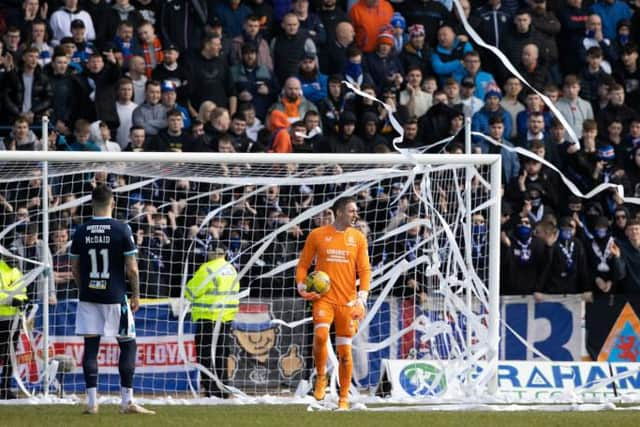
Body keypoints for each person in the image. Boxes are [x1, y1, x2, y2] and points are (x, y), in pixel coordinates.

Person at [70, 184, 154, 415]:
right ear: (113, 202)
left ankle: (91, 402)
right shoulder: (121, 229)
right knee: (128, 344)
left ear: (91, 204)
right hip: (116, 297)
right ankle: (127, 401)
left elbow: (74, 268)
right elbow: (133, 269)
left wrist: (83, 288)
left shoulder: (81, 231)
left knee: (90, 348)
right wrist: (136, 295)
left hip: (88, 297)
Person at [295, 197, 371, 410]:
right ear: (338, 212)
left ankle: (344, 397)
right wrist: (302, 286)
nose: (355, 214)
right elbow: (303, 265)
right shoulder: (318, 235)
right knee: (320, 336)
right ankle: (321, 377)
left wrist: (362, 299)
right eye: (351, 210)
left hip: (347, 302)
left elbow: (364, 270)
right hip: (323, 299)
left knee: (345, 352)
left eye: (356, 210)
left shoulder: (358, 238)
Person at [185, 247, 239, 398]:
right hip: (226, 318)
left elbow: (190, 292)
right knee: (221, 354)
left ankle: (211, 389)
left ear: (212, 253)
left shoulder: (207, 268)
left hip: (208, 317)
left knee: (205, 355)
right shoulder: (231, 269)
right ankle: (223, 389)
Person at [0, 257, 26, 399]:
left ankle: (5, 389)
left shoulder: (17, 271)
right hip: (1, 318)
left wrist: (24, 300)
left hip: (14, 320)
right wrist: (12, 300)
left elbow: (23, 290)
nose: (14, 261)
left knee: (10, 356)